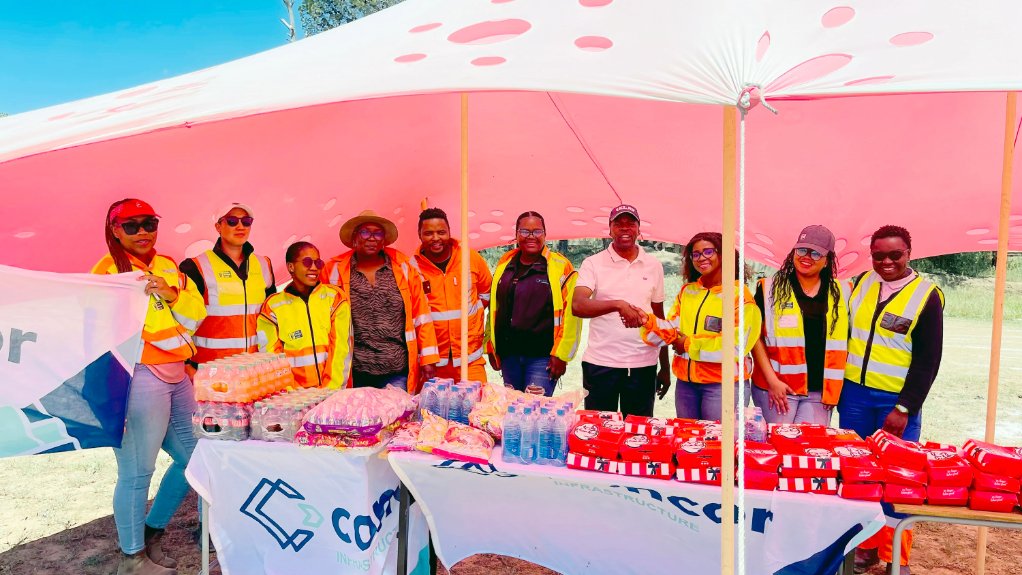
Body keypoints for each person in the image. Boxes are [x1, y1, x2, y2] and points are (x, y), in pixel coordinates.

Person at [93, 199, 208, 575]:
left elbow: (195, 315)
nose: (143, 231)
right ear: (114, 229)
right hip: (139, 376)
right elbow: (98, 339)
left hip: (177, 373)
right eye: (132, 226)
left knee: (196, 458)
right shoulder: (107, 272)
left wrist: (173, 294)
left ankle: (151, 532)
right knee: (137, 470)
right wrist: (112, 400)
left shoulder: (168, 265)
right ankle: (132, 557)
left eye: (149, 223)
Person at [842, 225, 943, 575]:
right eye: (878, 255)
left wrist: (905, 407)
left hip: (896, 401)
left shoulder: (926, 295)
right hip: (853, 394)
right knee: (859, 473)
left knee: (899, 479)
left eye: (894, 255)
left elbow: (928, 360)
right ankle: (865, 548)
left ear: (909, 253)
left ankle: (896, 558)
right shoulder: (860, 284)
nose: (886, 262)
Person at [640, 232, 761, 420]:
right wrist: (645, 321)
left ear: (723, 254)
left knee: (719, 445)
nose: (701, 258)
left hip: (723, 386)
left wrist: (688, 344)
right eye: (695, 254)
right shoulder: (688, 292)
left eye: (708, 251)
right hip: (686, 385)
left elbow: (737, 347)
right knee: (689, 443)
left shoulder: (740, 297)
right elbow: (672, 328)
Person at [321, 210, 438, 391]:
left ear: (384, 240)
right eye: (365, 232)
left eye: (378, 233)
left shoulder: (403, 267)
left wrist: (428, 358)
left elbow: (421, 314)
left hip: (397, 369)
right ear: (354, 238)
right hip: (355, 370)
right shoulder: (333, 270)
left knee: (398, 418)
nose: (372, 238)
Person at [571, 204, 670, 417]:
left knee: (637, 434)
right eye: (618, 224)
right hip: (600, 363)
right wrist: (618, 304)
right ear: (610, 229)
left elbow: (659, 318)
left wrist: (665, 367)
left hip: (643, 364)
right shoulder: (593, 263)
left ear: (638, 229)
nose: (625, 228)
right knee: (600, 434)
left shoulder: (653, 266)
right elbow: (578, 305)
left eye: (630, 223)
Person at [751, 225, 849, 425]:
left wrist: (833, 388)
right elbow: (754, 337)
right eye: (802, 250)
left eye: (816, 253)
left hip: (819, 392)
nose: (807, 257)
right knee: (777, 447)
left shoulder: (844, 291)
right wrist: (772, 382)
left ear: (827, 260)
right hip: (778, 389)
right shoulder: (769, 288)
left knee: (809, 450)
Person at [487, 211, 582, 396]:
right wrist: (491, 345)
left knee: (535, 415)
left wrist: (561, 355)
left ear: (545, 234)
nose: (531, 237)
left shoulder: (560, 266)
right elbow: (495, 306)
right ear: (516, 234)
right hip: (509, 356)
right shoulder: (505, 263)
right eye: (524, 231)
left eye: (537, 231)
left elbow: (572, 316)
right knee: (511, 412)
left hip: (542, 358)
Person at [179, 203, 275, 371]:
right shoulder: (196, 266)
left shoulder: (264, 264)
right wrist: (186, 364)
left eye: (246, 221)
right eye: (231, 221)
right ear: (218, 226)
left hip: (257, 367)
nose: (240, 226)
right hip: (210, 369)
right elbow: (182, 319)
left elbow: (273, 316)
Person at [257, 242, 352, 388]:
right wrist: (292, 394)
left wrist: (329, 390)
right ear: (291, 267)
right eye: (307, 262)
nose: (314, 267)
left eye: (318, 262)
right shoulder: (272, 306)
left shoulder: (335, 298)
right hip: (294, 400)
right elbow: (271, 357)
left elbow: (342, 349)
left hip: (333, 394)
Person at [414, 207, 493, 382]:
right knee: (432, 410)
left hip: (469, 358)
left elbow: (487, 293)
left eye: (441, 232)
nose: (436, 238)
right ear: (419, 235)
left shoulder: (470, 257)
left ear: (449, 232)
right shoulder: (412, 267)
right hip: (432, 363)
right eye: (428, 233)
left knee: (478, 408)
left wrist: (473, 318)